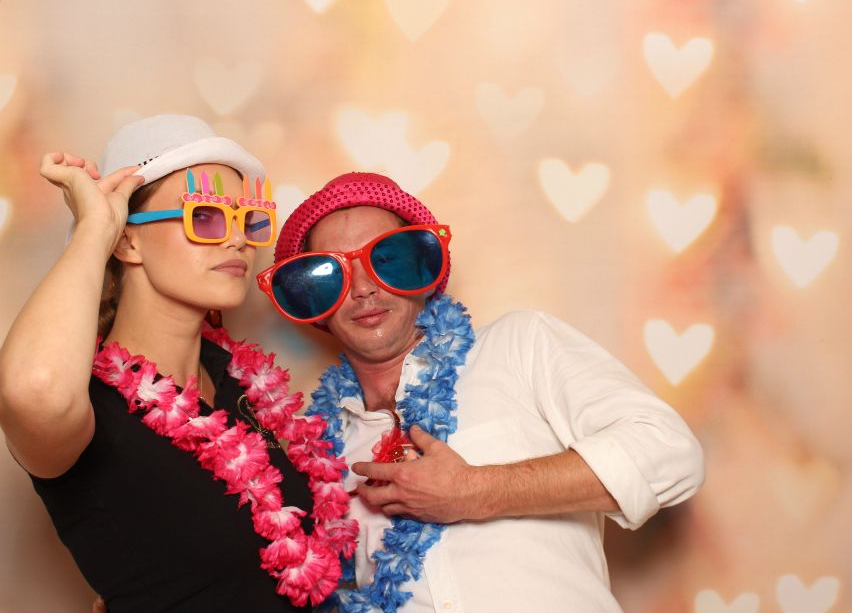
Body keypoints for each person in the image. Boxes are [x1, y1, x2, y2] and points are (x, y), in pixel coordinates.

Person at [258, 172, 706, 612]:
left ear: (423, 268)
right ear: (311, 302)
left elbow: (668, 452)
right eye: (329, 275)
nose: (363, 288)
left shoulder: (520, 345)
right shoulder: (317, 454)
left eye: (387, 259)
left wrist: (475, 490)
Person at [0, 115, 355, 612]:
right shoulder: (90, 405)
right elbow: (32, 388)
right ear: (127, 241)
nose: (237, 239)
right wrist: (95, 226)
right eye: (205, 216)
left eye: (247, 219)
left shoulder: (242, 382)